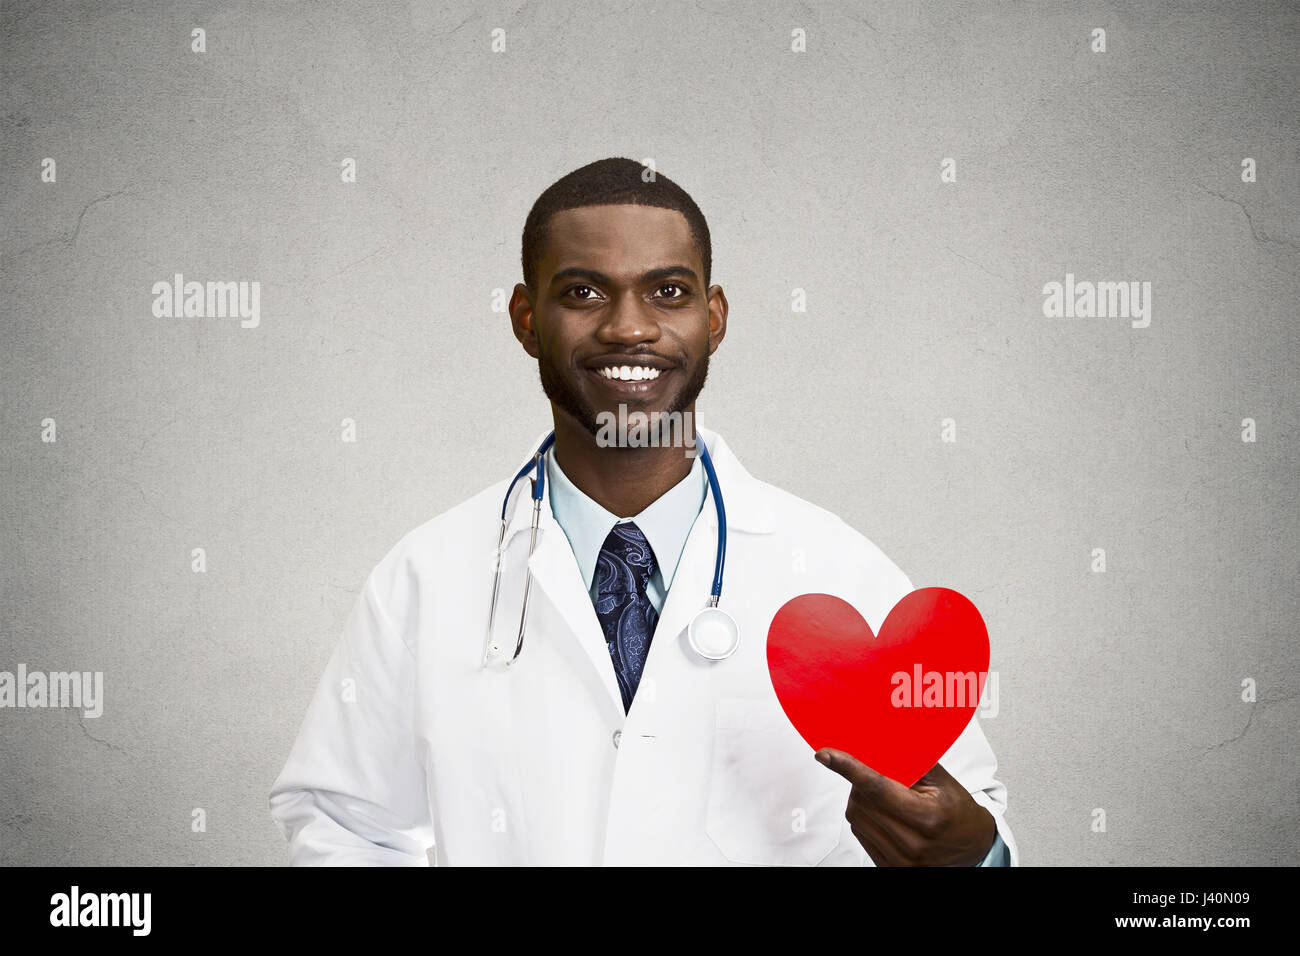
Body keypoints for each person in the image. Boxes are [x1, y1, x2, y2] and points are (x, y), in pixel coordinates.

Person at [268, 157, 1017, 866]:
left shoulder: (836, 567)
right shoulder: (426, 578)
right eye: (584, 292)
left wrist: (975, 857)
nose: (629, 328)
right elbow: (345, 826)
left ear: (714, 318)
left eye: (668, 292)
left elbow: (961, 812)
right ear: (526, 319)